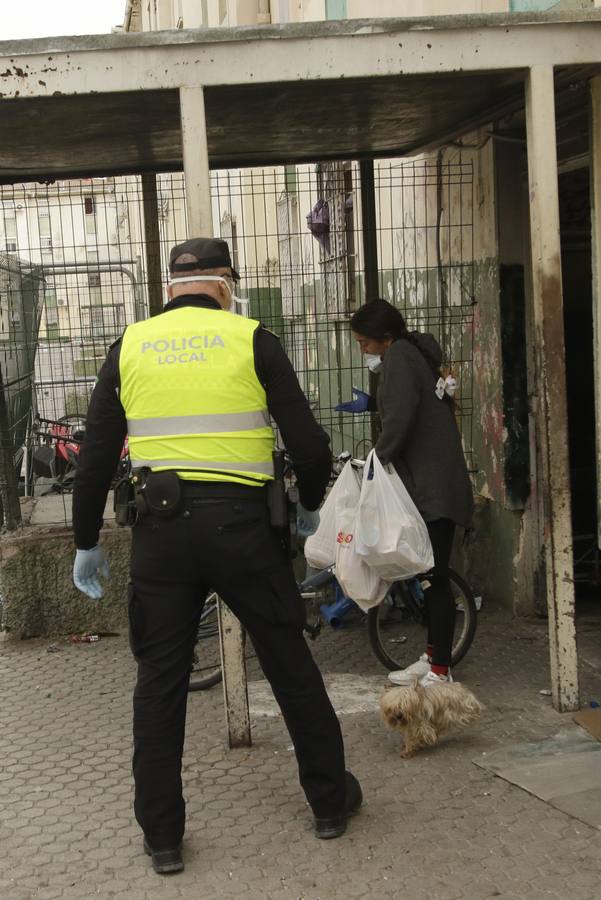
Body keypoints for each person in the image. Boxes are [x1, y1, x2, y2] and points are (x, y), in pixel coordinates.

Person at [72, 237, 362, 875]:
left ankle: (163, 838)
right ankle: (329, 803)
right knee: (289, 665)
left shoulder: (130, 346)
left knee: (159, 684)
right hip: (244, 531)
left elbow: (95, 458)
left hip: (160, 533)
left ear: (169, 287)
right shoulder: (251, 338)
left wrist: (86, 540)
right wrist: (310, 502)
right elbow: (310, 446)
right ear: (225, 284)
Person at [336, 298, 474, 688]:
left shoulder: (399, 359)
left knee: (434, 580)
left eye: (364, 342)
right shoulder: (414, 354)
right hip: (434, 486)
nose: (362, 350)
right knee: (429, 576)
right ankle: (432, 659)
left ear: (385, 336)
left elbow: (398, 421)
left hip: (433, 491)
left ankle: (440, 672)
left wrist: (374, 464)